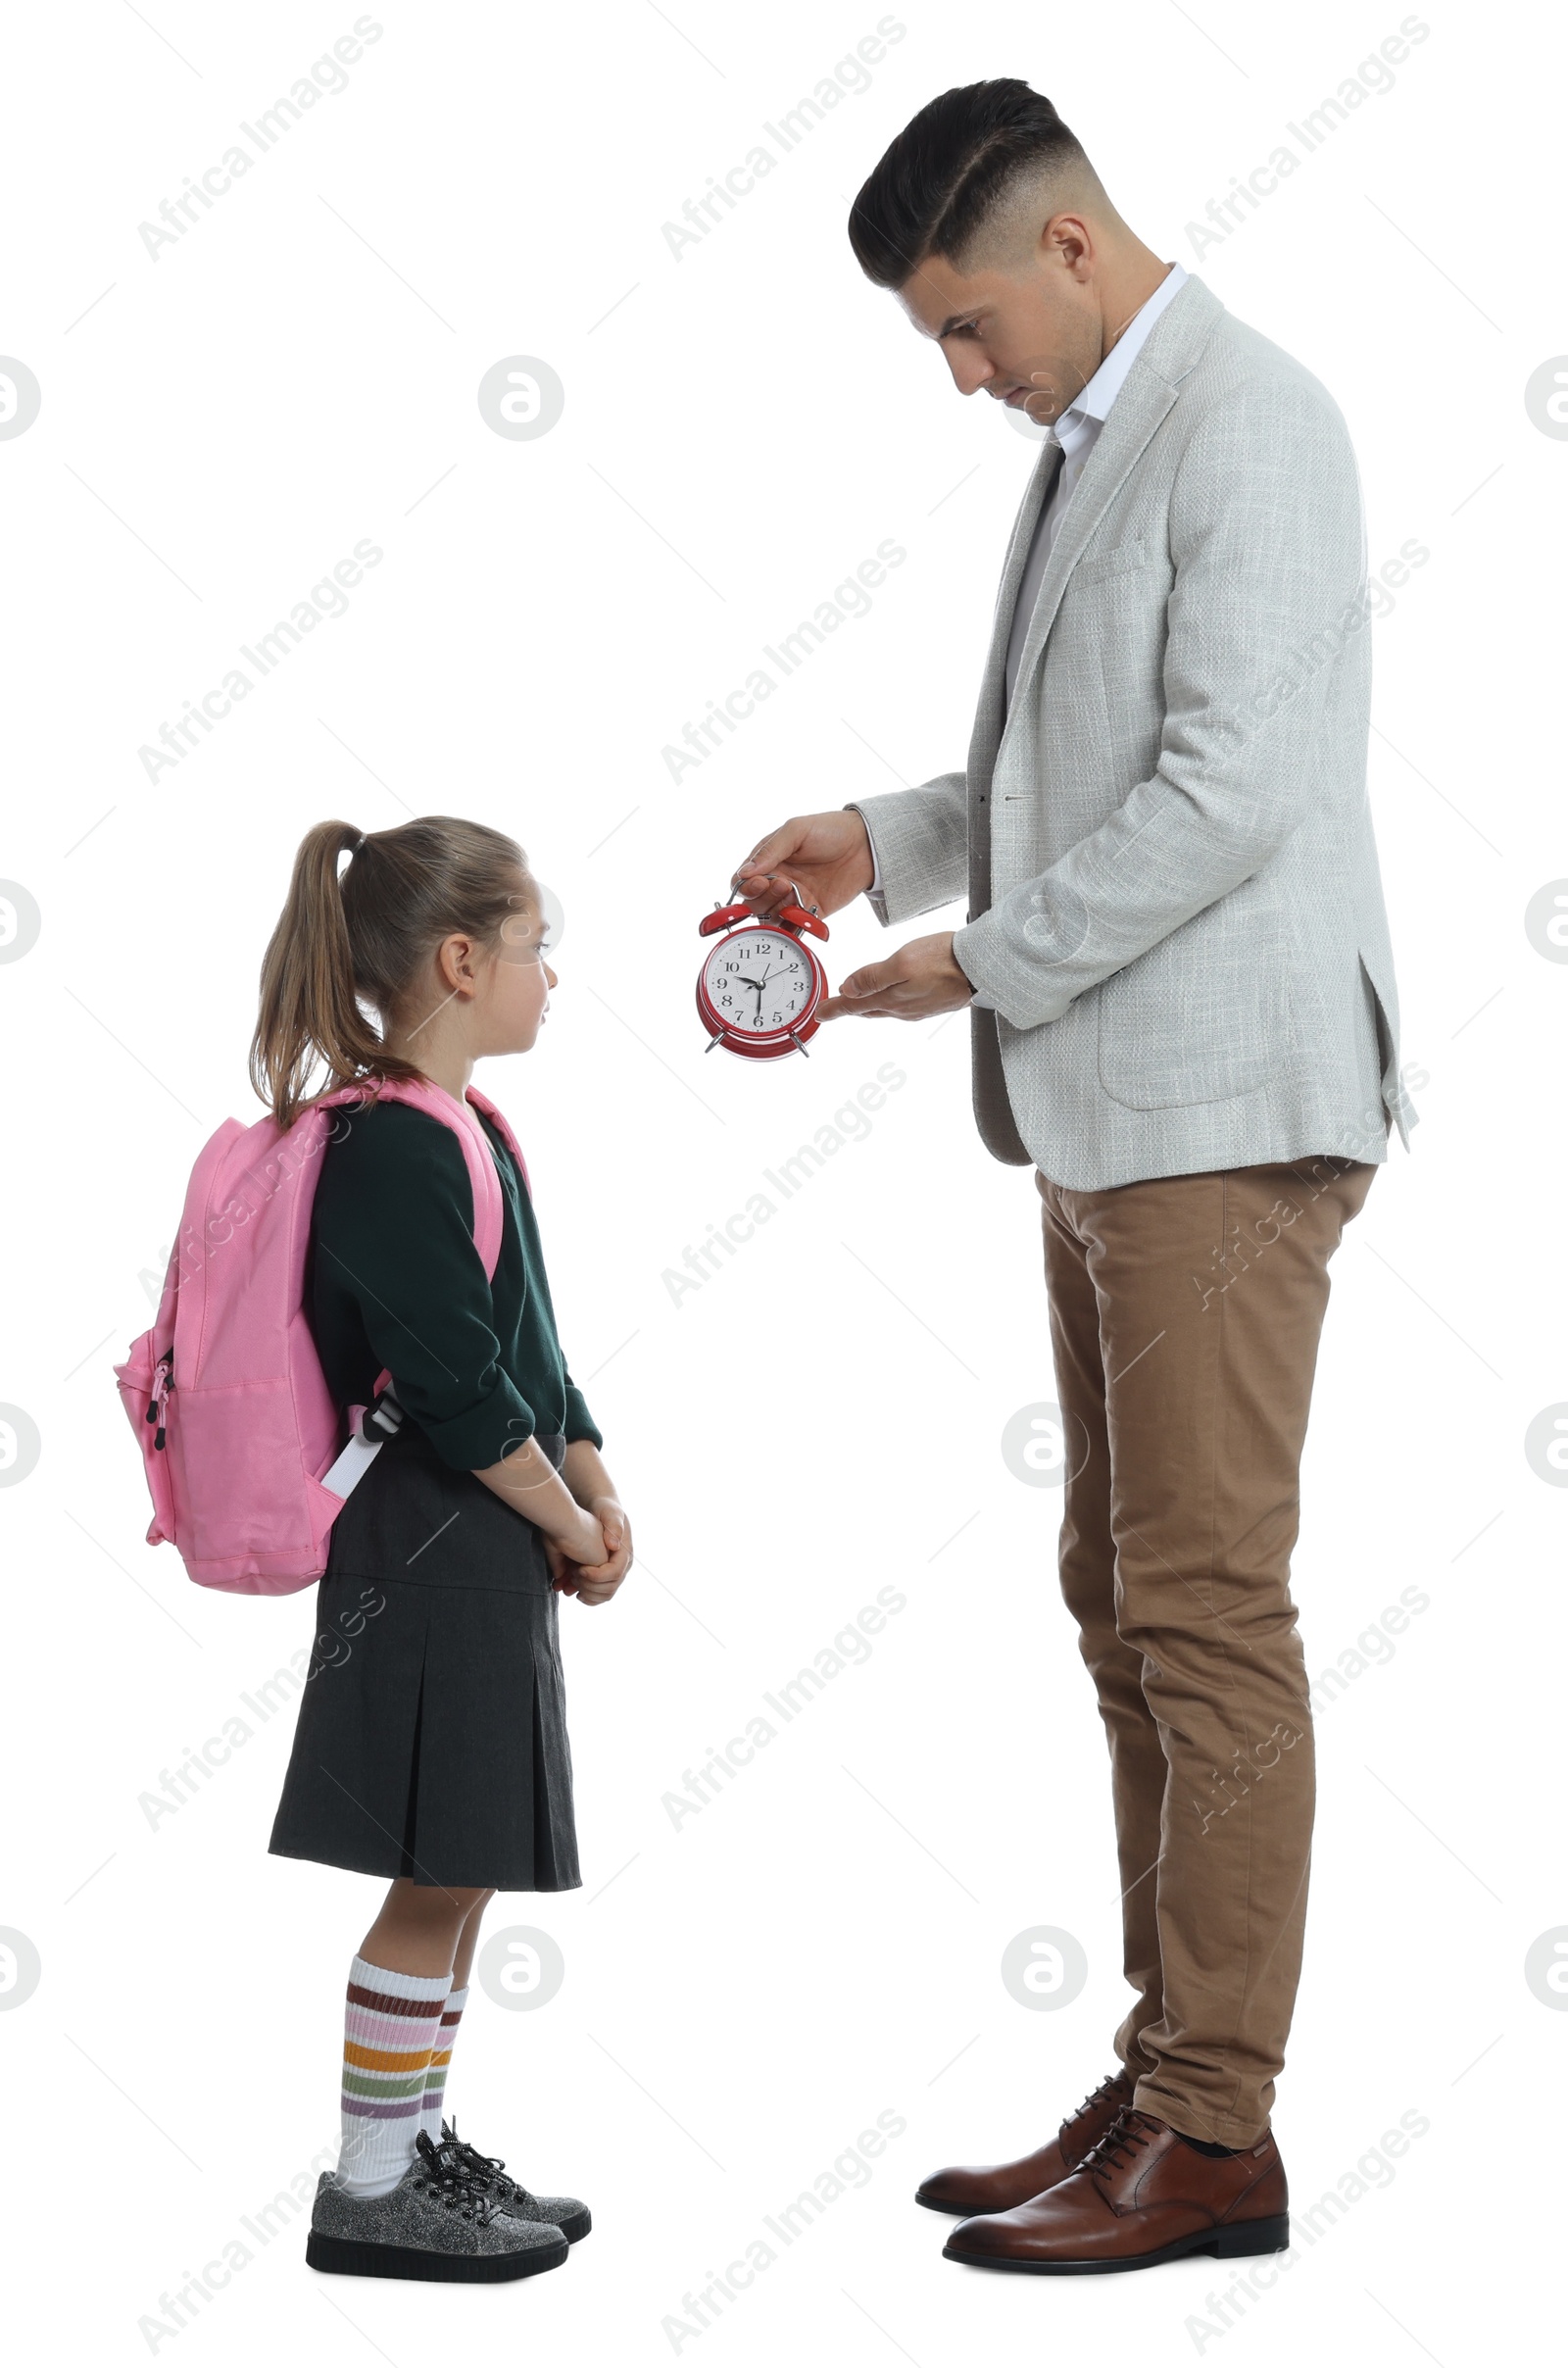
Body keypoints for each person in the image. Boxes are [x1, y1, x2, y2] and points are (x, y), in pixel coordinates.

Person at [734, 80, 1412, 2277]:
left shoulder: (1251, 423)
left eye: (957, 326)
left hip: (1224, 1115)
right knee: (1119, 1603)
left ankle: (1214, 2123)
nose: (956, 375)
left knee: (1202, 1615)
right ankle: (1160, 2070)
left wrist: (975, 962)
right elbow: (1063, 760)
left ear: (1065, 249)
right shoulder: (1098, 437)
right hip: (1116, 1118)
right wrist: (885, 836)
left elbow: (1225, 789)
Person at [254, 815, 633, 2283]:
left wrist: (595, 1483)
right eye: (537, 948)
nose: (552, 976)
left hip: (487, 1535)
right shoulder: (386, 1148)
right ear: (465, 960)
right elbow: (450, 1388)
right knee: (432, 1872)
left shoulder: (474, 1133)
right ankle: (367, 2186)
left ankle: (411, 2152)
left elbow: (530, 1353)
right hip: (423, 1544)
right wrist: (567, 1516)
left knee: (461, 1866)